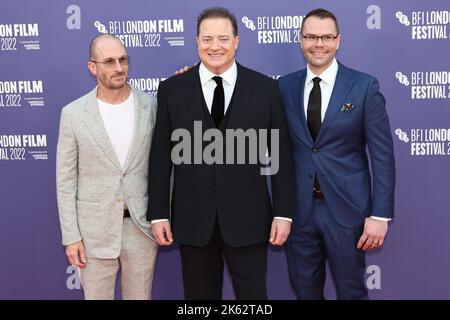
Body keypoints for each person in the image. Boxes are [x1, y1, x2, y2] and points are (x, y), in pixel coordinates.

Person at [147, 7, 294, 300]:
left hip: (249, 221)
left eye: (223, 38)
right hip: (192, 221)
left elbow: (281, 156)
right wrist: (158, 214)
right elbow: (161, 156)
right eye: (208, 39)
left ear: (237, 41)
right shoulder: (172, 89)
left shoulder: (266, 88)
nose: (215, 46)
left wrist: (284, 213)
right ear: (197, 41)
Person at [278, 8, 395, 299]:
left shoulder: (364, 86)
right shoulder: (283, 86)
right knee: (305, 292)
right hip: (299, 211)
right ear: (300, 40)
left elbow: (382, 155)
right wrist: (194, 83)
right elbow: (247, 106)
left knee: (352, 291)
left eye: (326, 37)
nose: (319, 43)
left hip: (347, 210)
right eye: (311, 37)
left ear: (338, 40)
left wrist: (380, 215)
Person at [56, 34, 158, 300]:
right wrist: (71, 236)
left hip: (141, 228)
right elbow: (65, 180)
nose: (119, 68)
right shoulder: (74, 114)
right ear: (93, 67)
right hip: (93, 234)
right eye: (110, 61)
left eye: (123, 60)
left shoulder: (151, 106)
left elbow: (162, 167)